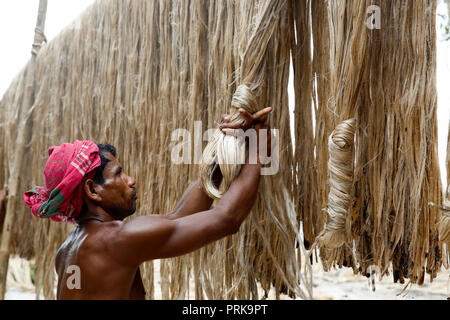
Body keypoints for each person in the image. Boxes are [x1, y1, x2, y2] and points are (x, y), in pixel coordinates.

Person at [23, 107, 272, 299]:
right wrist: (258, 148)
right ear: (92, 190)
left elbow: (177, 217)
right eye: (118, 174)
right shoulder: (115, 241)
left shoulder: (67, 251)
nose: (131, 180)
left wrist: (224, 152)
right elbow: (226, 219)